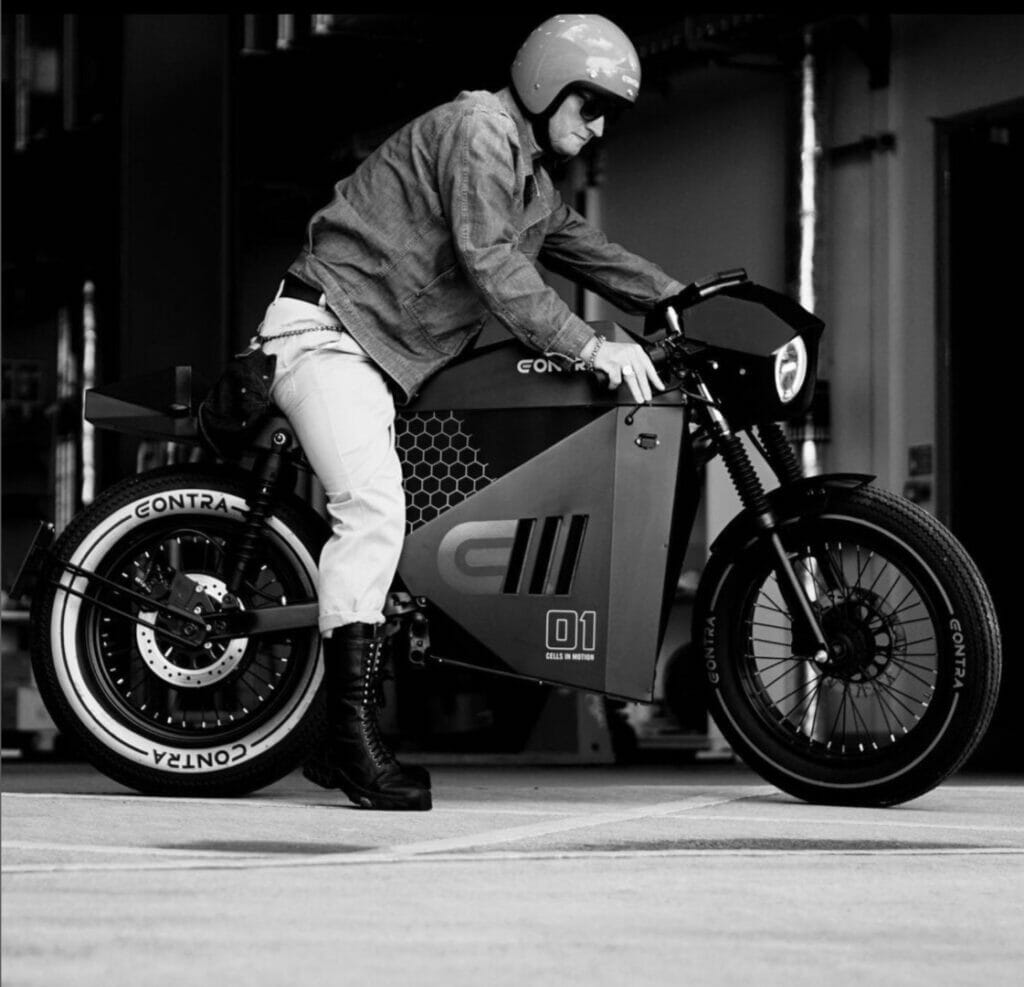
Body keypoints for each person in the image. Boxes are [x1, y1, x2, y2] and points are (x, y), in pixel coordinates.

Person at [258, 13, 689, 811]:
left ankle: (326, 733)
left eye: (608, 115)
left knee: (406, 523)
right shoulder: (481, 131)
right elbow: (490, 260)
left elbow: (582, 246)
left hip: (383, 360)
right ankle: (347, 738)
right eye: (590, 106)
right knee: (374, 510)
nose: (597, 127)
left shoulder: (532, 183)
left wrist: (679, 299)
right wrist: (589, 345)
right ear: (545, 84)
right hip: (330, 334)